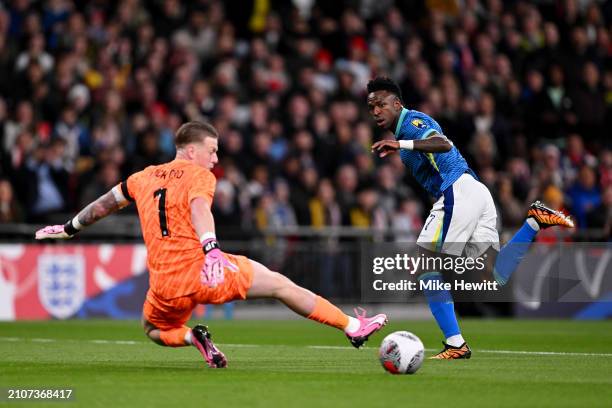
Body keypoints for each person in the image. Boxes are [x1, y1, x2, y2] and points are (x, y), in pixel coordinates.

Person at [35, 121, 387, 368]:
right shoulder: (198, 175)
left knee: (154, 329)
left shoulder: (141, 177)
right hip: (204, 271)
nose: (215, 159)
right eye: (212, 151)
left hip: (164, 285)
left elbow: (103, 205)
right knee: (280, 284)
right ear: (191, 150)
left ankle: (192, 339)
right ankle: (351, 327)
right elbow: (199, 207)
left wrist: (69, 228)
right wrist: (211, 248)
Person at [366, 77, 574, 359]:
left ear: (397, 104)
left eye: (380, 104)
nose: (376, 111)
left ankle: (455, 344)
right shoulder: (405, 136)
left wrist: (402, 144)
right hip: (474, 192)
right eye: (371, 107)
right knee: (494, 277)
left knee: (426, 267)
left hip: (457, 191)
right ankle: (534, 222)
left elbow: (442, 144)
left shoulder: (412, 122)